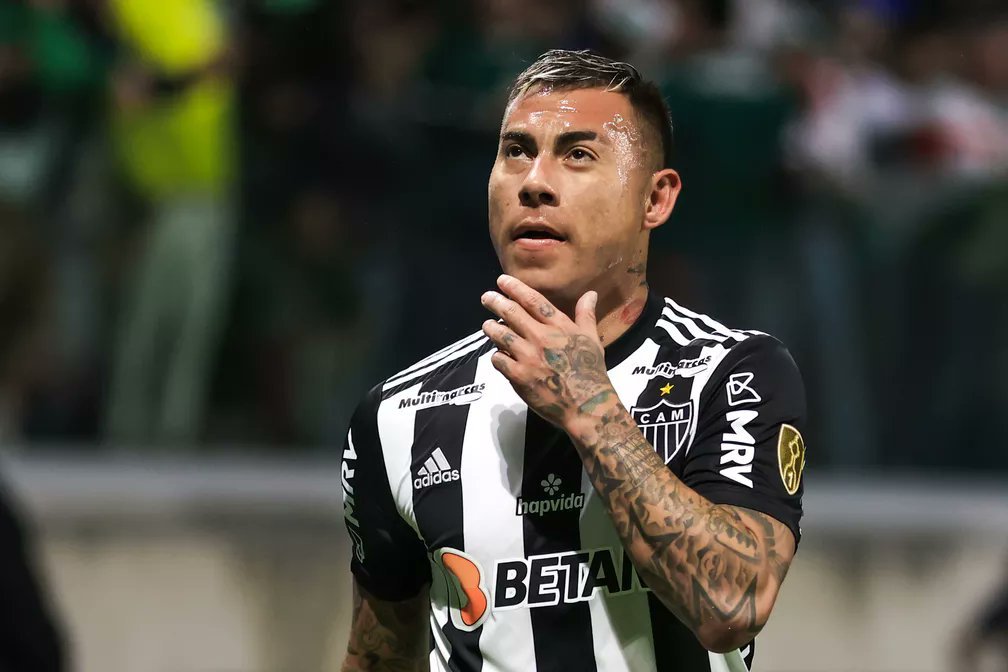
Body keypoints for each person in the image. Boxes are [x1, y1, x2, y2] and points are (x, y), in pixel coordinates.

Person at [340, 49, 806, 671]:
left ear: (655, 199)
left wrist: (588, 404)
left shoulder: (732, 374)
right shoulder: (398, 415)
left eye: (578, 154)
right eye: (516, 151)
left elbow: (733, 602)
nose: (533, 181)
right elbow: (379, 655)